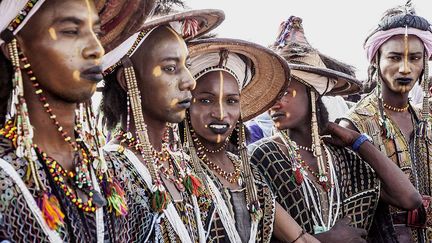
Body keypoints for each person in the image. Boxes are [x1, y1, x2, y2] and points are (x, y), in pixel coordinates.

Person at [249, 15, 421, 243]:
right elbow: (256, 233)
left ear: (312, 93)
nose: (275, 103)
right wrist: (325, 239)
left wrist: (358, 141)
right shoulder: (260, 158)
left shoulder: (343, 156)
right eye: (272, 94)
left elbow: (409, 199)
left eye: (285, 93)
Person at [0, 0, 155, 241]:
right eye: (72, 31)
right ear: (17, 48)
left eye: (97, 33)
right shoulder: (6, 175)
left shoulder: (108, 173)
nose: (96, 49)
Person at [100, 10, 228, 242]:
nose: (190, 81)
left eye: (187, 65)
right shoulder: (109, 171)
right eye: (170, 68)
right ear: (128, 80)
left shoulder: (183, 165)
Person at [183, 37, 318, 242]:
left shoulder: (247, 172)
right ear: (186, 106)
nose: (220, 113)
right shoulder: (179, 171)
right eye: (205, 100)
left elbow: (299, 238)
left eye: (231, 101)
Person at [340, 2, 432, 242]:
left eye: (414, 58)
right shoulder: (355, 124)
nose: (405, 68)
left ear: (424, 64)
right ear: (375, 61)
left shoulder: (427, 120)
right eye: (394, 57)